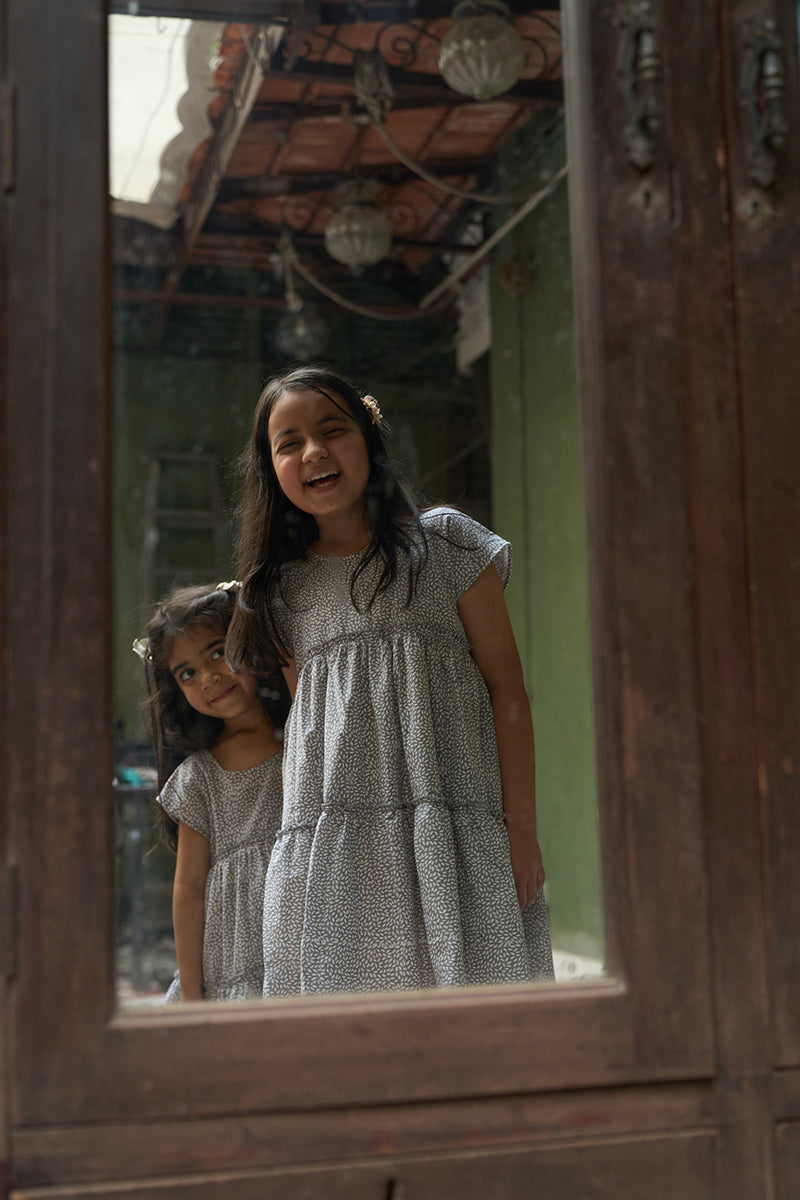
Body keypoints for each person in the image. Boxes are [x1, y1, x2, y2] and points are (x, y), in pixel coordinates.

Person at [227, 365, 555, 995]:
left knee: (473, 1021)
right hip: (344, 856)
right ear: (270, 470)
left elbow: (507, 690)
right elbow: (311, 728)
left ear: (369, 439)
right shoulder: (280, 590)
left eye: (332, 430)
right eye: (288, 443)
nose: (314, 452)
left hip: (457, 837)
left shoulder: (449, 547)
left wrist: (523, 829)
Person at [134, 582, 289, 1002]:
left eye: (218, 652)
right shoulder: (200, 778)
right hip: (233, 966)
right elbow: (189, 889)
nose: (209, 677)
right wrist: (191, 993)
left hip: (304, 947)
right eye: (188, 673)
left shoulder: (305, 740)